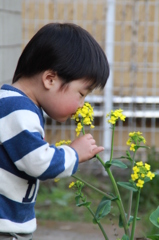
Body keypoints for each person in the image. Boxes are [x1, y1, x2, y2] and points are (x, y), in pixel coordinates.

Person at [0, 23, 109, 239]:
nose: (81, 104)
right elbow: (38, 162)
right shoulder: (17, 109)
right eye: (81, 94)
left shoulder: (15, 104)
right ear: (50, 79)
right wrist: (73, 153)